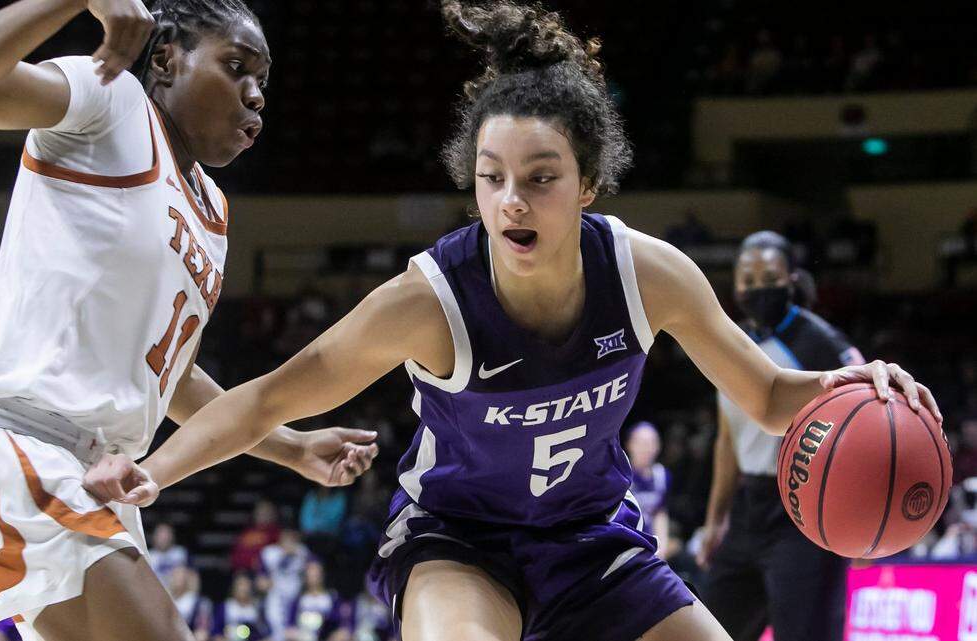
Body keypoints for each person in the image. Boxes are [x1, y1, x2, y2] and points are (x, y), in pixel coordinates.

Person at [85, 3, 941, 640]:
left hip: (591, 539)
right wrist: (156, 474)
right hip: (460, 542)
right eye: (492, 176)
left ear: (588, 184)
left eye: (540, 177)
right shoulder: (431, 300)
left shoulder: (645, 273)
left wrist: (853, 382)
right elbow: (269, 399)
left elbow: (764, 393)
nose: (511, 200)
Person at [0, 2, 378, 640]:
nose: (255, 94)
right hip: (5, 435)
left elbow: (171, 376)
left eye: (263, 81)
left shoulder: (213, 211)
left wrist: (289, 447)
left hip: (95, 473)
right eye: (236, 66)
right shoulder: (112, 103)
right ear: (165, 59)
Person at [697, 231, 866, 641]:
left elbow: (867, 430)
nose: (758, 289)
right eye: (748, 280)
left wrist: (858, 521)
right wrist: (715, 520)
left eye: (769, 277)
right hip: (747, 510)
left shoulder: (823, 344)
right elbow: (728, 441)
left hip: (807, 509)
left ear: (791, 278)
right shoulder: (731, 343)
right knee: (709, 628)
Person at [625, 422, 670, 558]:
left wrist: (663, 546)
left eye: (651, 442)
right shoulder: (621, 476)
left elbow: (660, 512)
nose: (647, 448)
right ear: (630, 445)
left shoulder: (662, 475)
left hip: (651, 545)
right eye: (641, 443)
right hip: (626, 545)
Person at [258, 529, 312, 641]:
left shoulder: (302, 551)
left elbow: (313, 570)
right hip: (275, 596)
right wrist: (264, 581)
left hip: (296, 597)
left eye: (292, 538)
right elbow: (261, 580)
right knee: (275, 627)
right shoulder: (270, 552)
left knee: (295, 631)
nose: (289, 541)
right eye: (286, 537)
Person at [285, 561, 338, 641]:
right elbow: (290, 626)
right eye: (310, 573)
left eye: (316, 573)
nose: (313, 576)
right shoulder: (299, 599)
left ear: (322, 575)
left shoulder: (331, 597)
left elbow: (336, 622)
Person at [213, 573, 269, 641]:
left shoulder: (256, 608)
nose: (243, 589)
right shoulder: (225, 607)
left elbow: (264, 632)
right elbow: (215, 632)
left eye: (246, 585)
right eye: (240, 585)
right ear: (234, 588)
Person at [149, 523, 190, 587]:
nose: (164, 538)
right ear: (154, 537)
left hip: (176, 590)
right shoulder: (149, 555)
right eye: (160, 535)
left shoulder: (180, 553)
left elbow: (190, 576)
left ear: (172, 536)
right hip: (155, 590)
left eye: (166, 534)